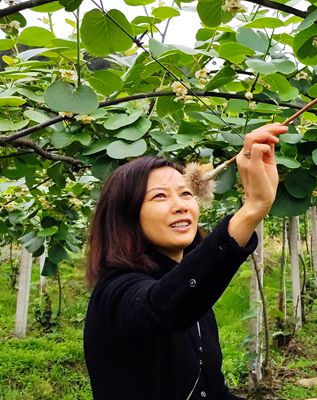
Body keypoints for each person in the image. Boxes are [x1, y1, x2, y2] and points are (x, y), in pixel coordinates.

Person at [83, 123, 287, 400]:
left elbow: (212, 393)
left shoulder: (196, 302)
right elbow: (162, 307)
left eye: (186, 193)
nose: (180, 205)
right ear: (127, 215)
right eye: (159, 196)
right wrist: (252, 208)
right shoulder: (116, 293)